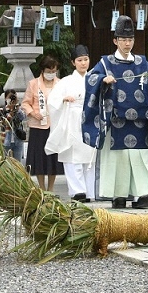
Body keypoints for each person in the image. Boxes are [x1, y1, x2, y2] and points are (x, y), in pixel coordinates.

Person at [82, 17, 148, 209]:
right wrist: (103, 80)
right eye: (123, 39)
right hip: (116, 120)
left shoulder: (142, 63)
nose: (127, 43)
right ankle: (118, 195)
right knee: (118, 159)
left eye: (130, 39)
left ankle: (143, 194)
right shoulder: (106, 63)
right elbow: (91, 79)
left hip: (139, 120)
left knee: (140, 158)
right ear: (116, 41)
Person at [46, 45, 97, 202]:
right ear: (73, 62)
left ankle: (90, 192)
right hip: (72, 119)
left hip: (89, 119)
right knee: (72, 156)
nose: (83, 63)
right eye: (80, 60)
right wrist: (63, 99)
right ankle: (77, 191)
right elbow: (52, 100)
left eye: (86, 59)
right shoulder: (66, 82)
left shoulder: (94, 79)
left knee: (89, 157)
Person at [22, 54, 64, 191]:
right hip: (38, 126)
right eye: (49, 71)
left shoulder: (61, 83)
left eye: (54, 71)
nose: (51, 74)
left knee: (53, 158)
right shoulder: (33, 84)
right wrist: (33, 113)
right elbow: (25, 103)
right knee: (39, 158)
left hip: (55, 125)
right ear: (42, 70)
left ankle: (50, 188)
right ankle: (41, 187)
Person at [0, 88, 26, 161]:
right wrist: (11, 111)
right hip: (6, 139)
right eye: (10, 97)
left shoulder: (18, 109)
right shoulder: (2, 110)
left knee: (18, 163)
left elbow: (22, 117)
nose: (11, 99)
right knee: (5, 162)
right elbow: (4, 122)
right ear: (5, 98)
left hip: (17, 139)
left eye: (13, 97)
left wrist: (17, 109)